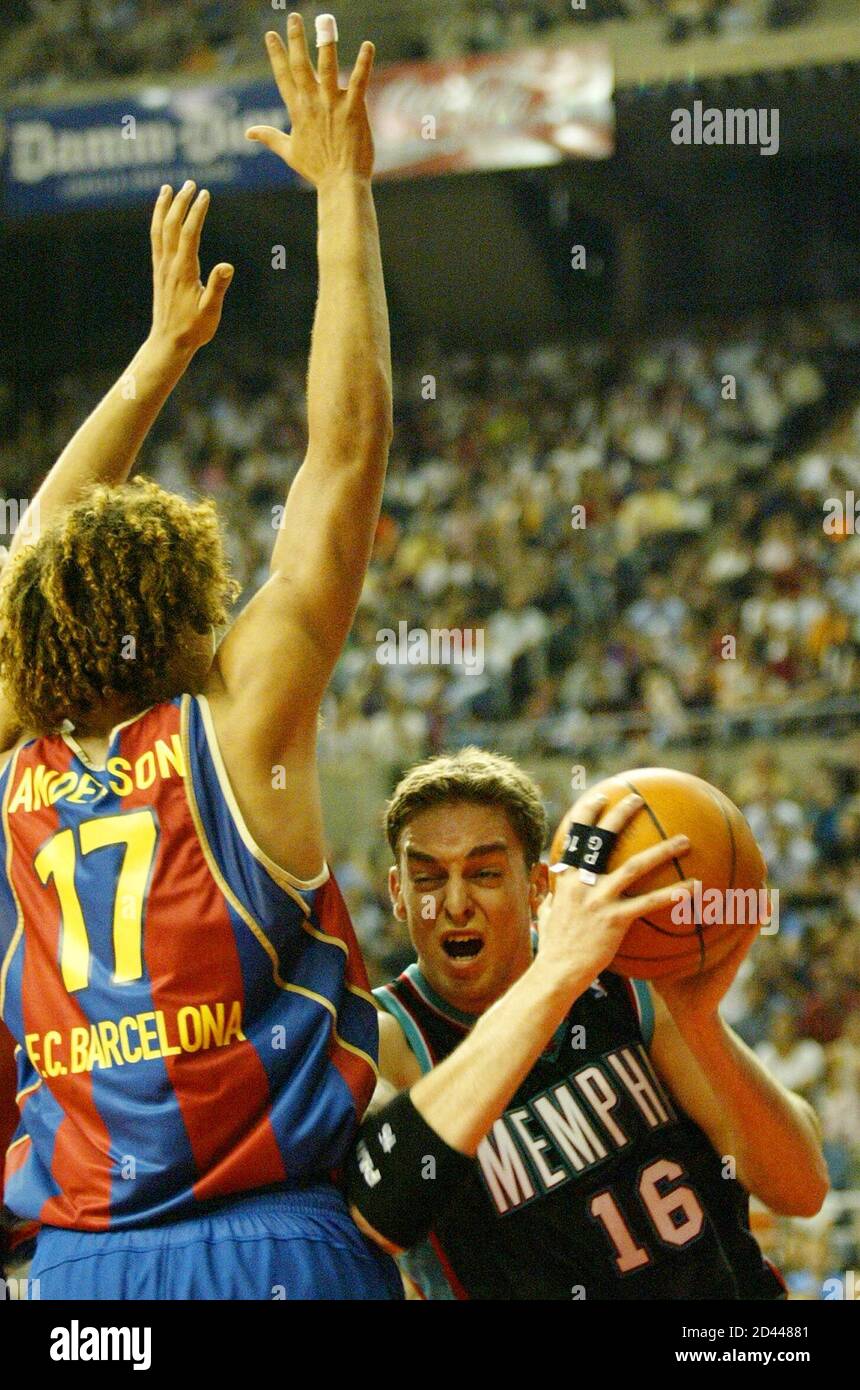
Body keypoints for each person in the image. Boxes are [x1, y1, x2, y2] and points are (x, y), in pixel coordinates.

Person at [0, 13, 401, 1301]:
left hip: (82, 1274)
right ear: (188, 617)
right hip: (273, 1237)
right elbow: (340, 466)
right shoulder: (232, 729)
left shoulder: (16, 769)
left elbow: (35, 553)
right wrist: (343, 190)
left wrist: (153, 359)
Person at [345, 749, 829, 1299]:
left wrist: (700, 1023)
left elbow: (803, 1189)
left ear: (536, 887)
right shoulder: (387, 1039)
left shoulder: (626, 975)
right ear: (397, 895)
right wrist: (555, 976)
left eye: (484, 873)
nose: (455, 903)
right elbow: (381, 1210)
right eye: (428, 878)